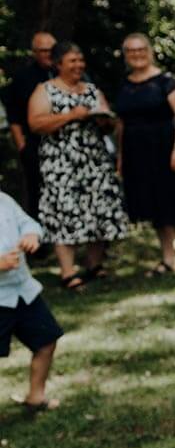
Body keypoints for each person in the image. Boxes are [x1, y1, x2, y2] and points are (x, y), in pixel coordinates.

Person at [27, 42, 127, 290]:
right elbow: (36, 123)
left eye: (80, 61)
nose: (78, 65)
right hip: (61, 163)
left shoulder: (92, 90)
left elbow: (109, 123)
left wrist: (105, 122)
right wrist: (72, 115)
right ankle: (68, 271)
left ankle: (94, 264)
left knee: (97, 209)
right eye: (72, 61)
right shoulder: (46, 90)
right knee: (64, 211)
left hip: (94, 161)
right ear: (58, 63)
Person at [114, 33, 175, 282]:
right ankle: (167, 259)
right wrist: (121, 156)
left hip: (167, 150)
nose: (137, 54)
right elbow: (121, 123)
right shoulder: (124, 85)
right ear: (125, 55)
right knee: (155, 207)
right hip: (137, 155)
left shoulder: (166, 81)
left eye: (141, 49)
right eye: (131, 51)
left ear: (149, 51)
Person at [1, 189, 62, 412]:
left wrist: (31, 235)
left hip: (24, 291)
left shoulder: (5, 199)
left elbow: (28, 223)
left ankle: (36, 396)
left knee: (46, 339)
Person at [3, 32, 56, 218]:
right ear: (34, 52)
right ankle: (39, 242)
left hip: (65, 145)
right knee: (37, 195)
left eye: (52, 50)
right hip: (35, 145)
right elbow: (13, 114)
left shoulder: (67, 72)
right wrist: (22, 145)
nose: (48, 54)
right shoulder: (23, 78)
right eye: (43, 50)